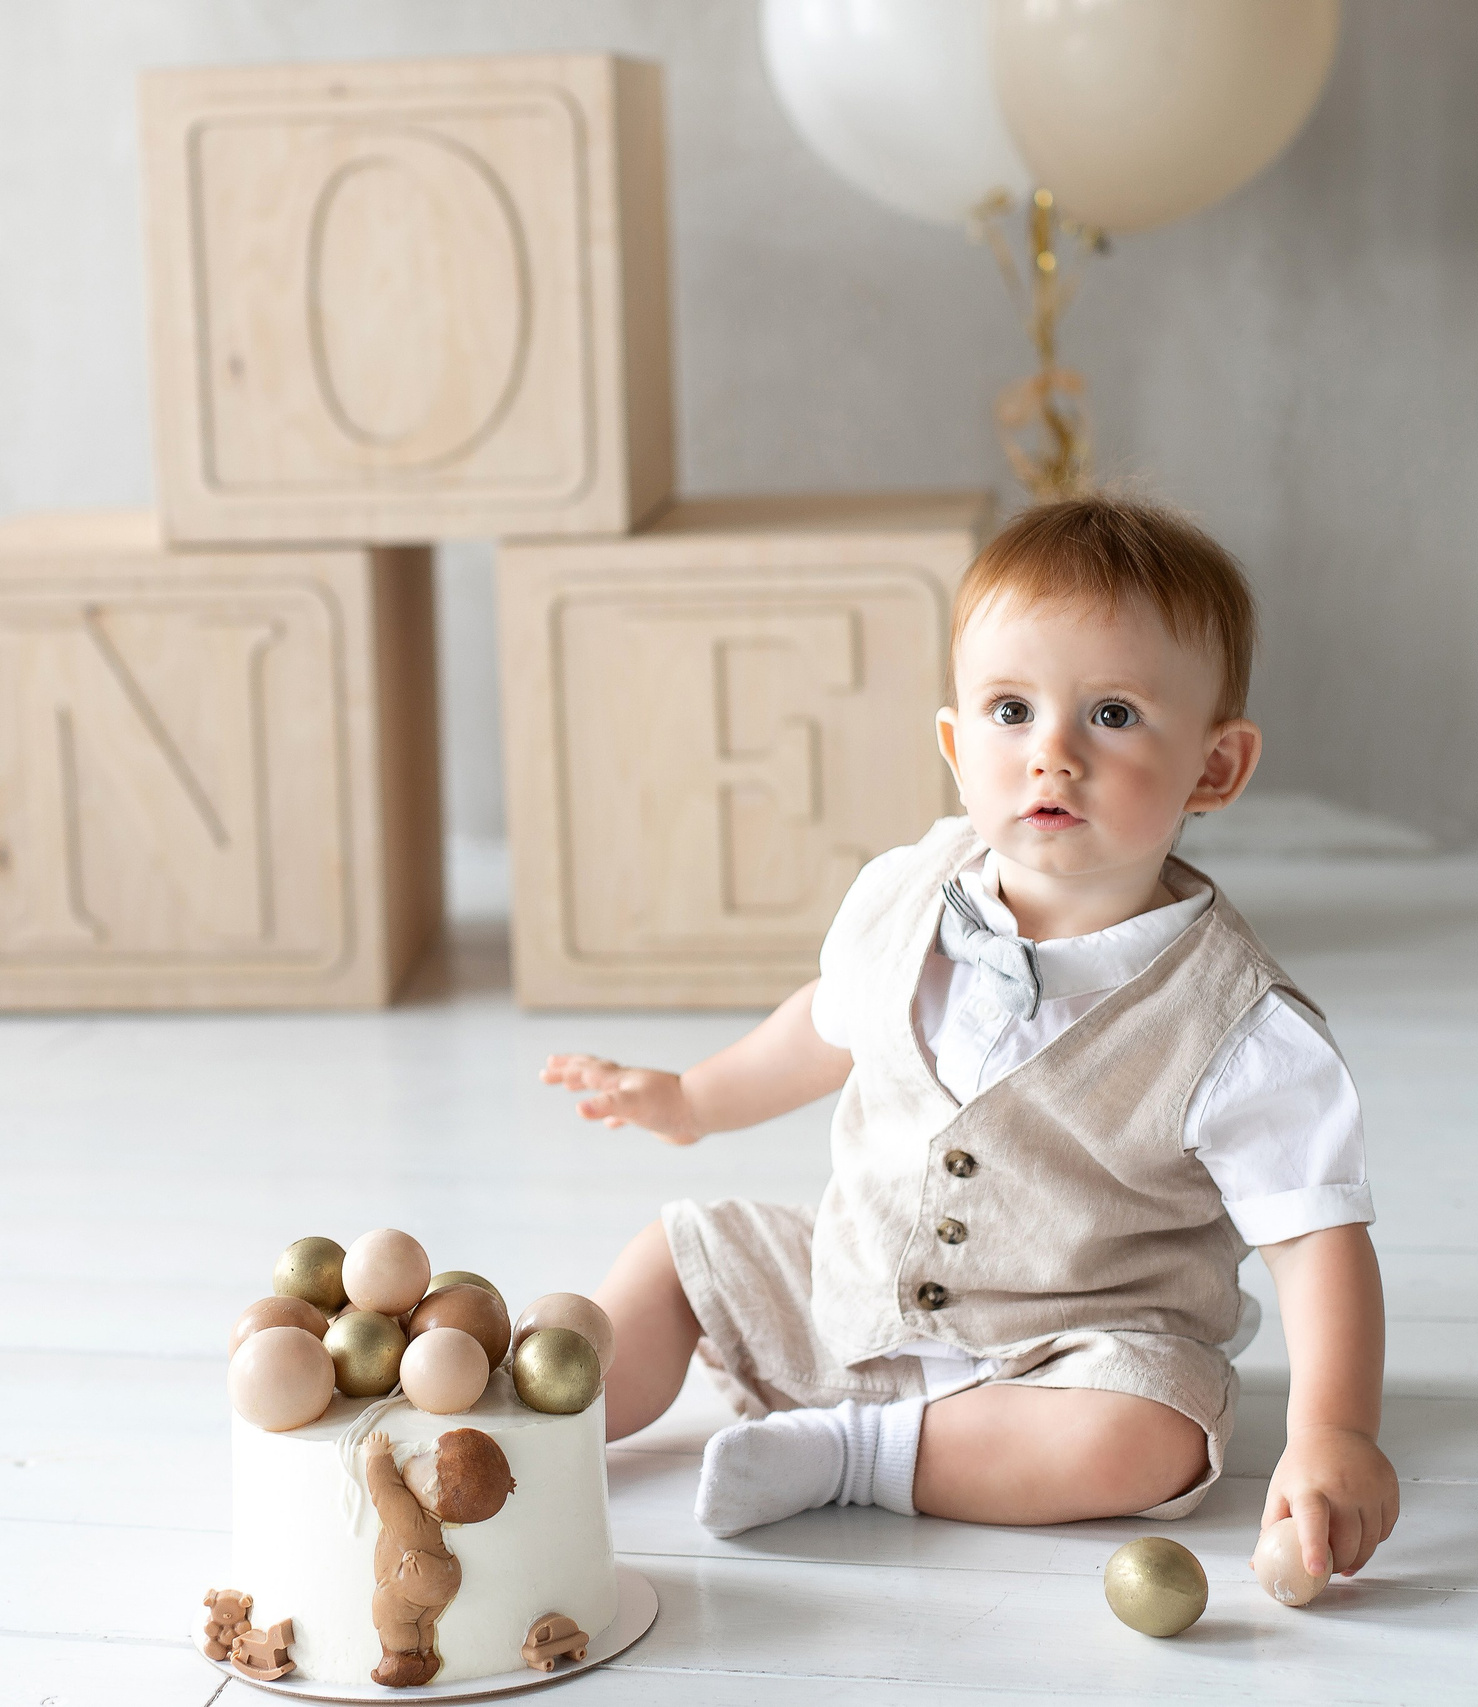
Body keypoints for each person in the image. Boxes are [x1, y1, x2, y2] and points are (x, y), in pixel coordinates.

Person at [541, 496, 1396, 1585]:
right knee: (677, 1255)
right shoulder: (909, 890)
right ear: (954, 743)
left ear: (1215, 768)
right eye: (1008, 710)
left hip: (1069, 1354)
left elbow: (1315, 1240)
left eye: (1114, 716)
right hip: (855, 1295)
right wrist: (693, 1100)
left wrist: (1334, 1431)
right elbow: (827, 1021)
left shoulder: (1236, 1024)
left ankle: (858, 1458)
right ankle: (530, 1414)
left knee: (1150, 1436)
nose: (1051, 755)